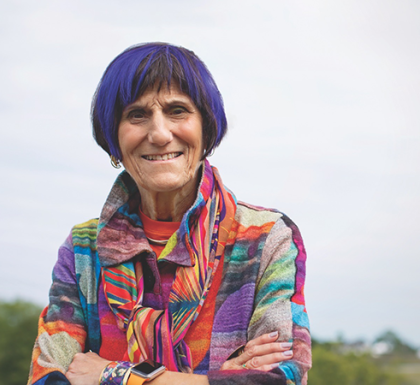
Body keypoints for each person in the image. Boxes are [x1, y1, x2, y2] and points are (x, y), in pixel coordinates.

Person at [27, 42, 311, 385]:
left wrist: (111, 375)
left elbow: (282, 380)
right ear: (113, 139)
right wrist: (216, 380)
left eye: (177, 111)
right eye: (137, 115)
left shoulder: (265, 239)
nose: (160, 134)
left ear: (206, 128)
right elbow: (47, 378)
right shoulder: (83, 251)